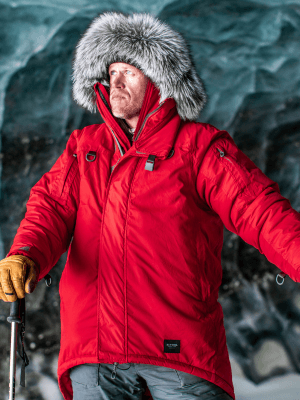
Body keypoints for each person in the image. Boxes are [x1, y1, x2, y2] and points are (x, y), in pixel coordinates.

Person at [0, 11, 299, 400]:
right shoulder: (84, 149)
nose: (116, 82)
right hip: (96, 355)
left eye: (129, 71)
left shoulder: (198, 148)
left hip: (180, 356)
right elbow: (50, 209)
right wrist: (25, 254)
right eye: (111, 72)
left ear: (159, 80)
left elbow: (260, 211)